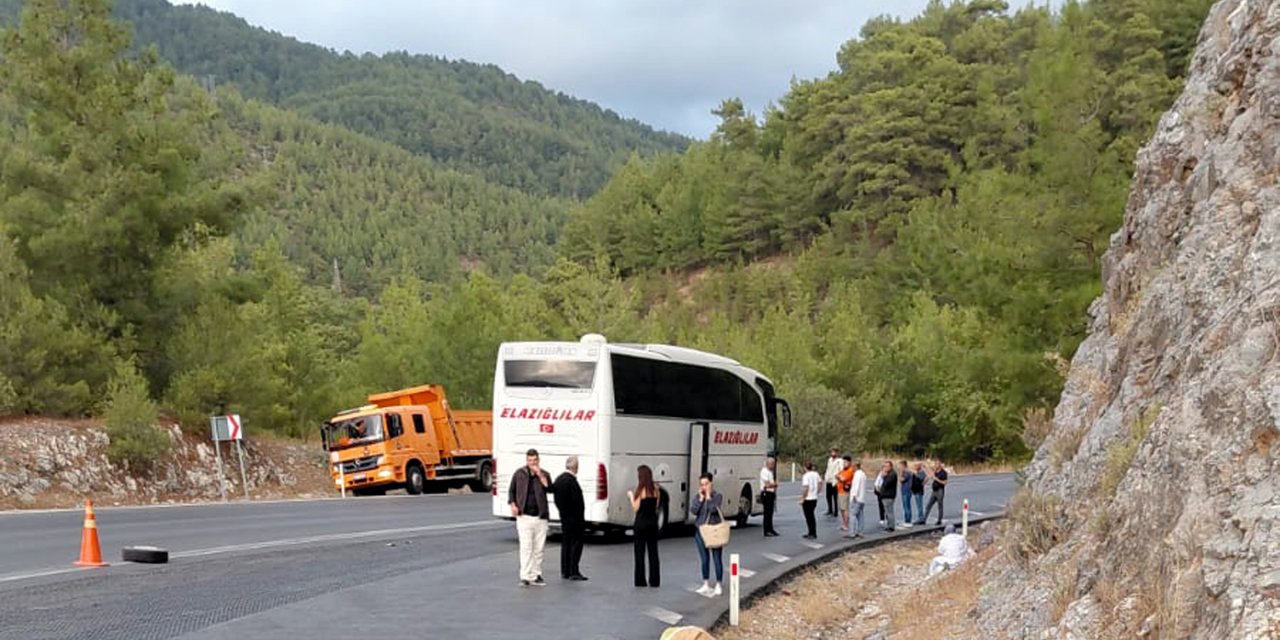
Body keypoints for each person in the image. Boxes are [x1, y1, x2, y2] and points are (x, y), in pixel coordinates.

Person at [508, 448, 552, 587]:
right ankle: (525, 576)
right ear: (526, 461)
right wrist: (513, 505)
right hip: (524, 516)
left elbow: (549, 488)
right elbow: (511, 491)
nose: (532, 463)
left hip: (540, 516)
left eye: (534, 460)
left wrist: (540, 475)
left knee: (538, 548)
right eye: (530, 460)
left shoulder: (544, 474)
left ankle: (536, 574)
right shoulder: (519, 474)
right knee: (526, 547)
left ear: (538, 460)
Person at [552, 456, 587, 581]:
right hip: (575, 519)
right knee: (575, 544)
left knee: (566, 544)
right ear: (576, 467)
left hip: (564, 517)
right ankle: (573, 570)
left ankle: (565, 570)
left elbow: (556, 497)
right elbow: (577, 501)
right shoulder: (572, 481)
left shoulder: (559, 479)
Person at [691, 472, 724, 596]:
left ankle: (719, 583)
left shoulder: (718, 496)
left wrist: (709, 497)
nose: (704, 487)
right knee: (704, 559)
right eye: (702, 484)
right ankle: (706, 583)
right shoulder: (698, 496)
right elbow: (693, 510)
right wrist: (700, 499)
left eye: (706, 484)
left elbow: (713, 509)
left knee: (717, 558)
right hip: (700, 531)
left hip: (714, 531)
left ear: (711, 483)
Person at [629, 465, 661, 588]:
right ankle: (654, 580)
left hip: (641, 524)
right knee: (653, 552)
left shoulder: (641, 491)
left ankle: (640, 580)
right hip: (652, 523)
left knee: (639, 553)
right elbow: (656, 506)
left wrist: (631, 497)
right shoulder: (656, 490)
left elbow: (635, 508)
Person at [800, 461, 821, 539]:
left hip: (808, 498)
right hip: (814, 497)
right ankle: (812, 532)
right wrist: (817, 491)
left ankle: (812, 532)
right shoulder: (816, 474)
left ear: (805, 468)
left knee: (809, 517)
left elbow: (805, 488)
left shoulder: (806, 476)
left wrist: (803, 498)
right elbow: (820, 483)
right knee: (812, 515)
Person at [924, 460, 949, 525]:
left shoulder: (943, 473)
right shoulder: (935, 471)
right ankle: (924, 519)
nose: (935, 465)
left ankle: (939, 520)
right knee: (928, 505)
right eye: (935, 464)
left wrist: (937, 479)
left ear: (940, 465)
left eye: (937, 464)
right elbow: (929, 474)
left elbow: (945, 482)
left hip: (940, 490)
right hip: (934, 491)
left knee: (940, 506)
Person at [846, 461, 867, 538]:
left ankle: (852, 532)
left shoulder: (857, 475)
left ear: (855, 467)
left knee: (853, 515)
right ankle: (860, 532)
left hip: (856, 498)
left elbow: (856, 486)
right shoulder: (863, 474)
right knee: (860, 516)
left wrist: (854, 495)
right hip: (862, 498)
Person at [759, 456, 779, 537]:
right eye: (772, 464)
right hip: (766, 493)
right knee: (767, 513)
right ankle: (766, 530)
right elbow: (767, 484)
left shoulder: (770, 471)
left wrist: (773, 485)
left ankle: (771, 529)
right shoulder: (764, 471)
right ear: (768, 464)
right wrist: (774, 484)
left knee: (770, 512)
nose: (773, 465)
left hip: (771, 493)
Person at [835, 455, 853, 532]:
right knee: (841, 508)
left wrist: (839, 477)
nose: (844, 463)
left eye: (846, 462)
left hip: (845, 491)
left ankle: (846, 524)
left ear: (849, 462)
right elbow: (837, 475)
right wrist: (838, 476)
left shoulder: (850, 470)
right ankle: (844, 523)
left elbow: (842, 479)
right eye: (843, 462)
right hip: (840, 491)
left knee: (845, 508)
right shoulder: (843, 470)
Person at [823, 448, 843, 517]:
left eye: (834, 452)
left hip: (835, 480)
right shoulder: (830, 460)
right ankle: (830, 509)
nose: (833, 454)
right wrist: (826, 476)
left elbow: (841, 469)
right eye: (832, 452)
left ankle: (836, 511)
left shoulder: (839, 461)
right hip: (829, 479)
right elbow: (828, 469)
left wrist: (838, 477)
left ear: (837, 453)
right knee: (828, 496)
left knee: (835, 496)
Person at [880, 461, 897, 532]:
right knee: (887, 511)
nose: (885, 468)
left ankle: (891, 526)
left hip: (888, 495)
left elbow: (886, 484)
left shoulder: (892, 474)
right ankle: (889, 525)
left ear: (891, 467)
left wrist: (884, 476)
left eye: (887, 466)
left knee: (889, 511)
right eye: (884, 466)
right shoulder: (889, 474)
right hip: (886, 495)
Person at [899, 460, 913, 527]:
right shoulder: (907, 472)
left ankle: (908, 521)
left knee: (906, 506)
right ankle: (907, 520)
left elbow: (901, 479)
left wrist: (901, 473)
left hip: (906, 491)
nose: (900, 467)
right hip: (905, 490)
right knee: (906, 506)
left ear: (904, 465)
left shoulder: (907, 472)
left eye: (901, 466)